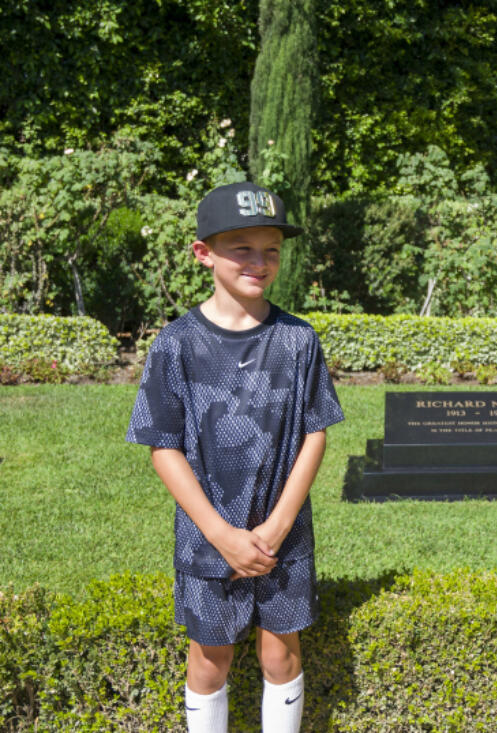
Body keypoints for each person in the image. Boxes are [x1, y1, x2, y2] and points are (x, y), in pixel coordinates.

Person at [127, 181, 345, 732]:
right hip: (207, 537)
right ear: (204, 253)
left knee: (281, 653)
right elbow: (163, 445)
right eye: (241, 247)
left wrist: (278, 524)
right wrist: (222, 534)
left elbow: (315, 433)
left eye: (271, 249)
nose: (259, 261)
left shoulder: (299, 341)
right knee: (210, 657)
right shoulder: (176, 343)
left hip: (283, 536)